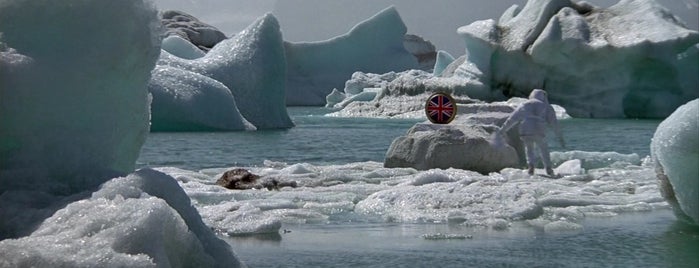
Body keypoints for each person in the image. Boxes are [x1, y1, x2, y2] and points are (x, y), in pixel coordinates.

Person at [498, 89, 565, 176]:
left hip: (526, 129)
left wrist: (502, 130)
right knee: (543, 149)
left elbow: (512, 119)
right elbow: (554, 123)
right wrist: (560, 137)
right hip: (539, 130)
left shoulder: (524, 104)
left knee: (529, 149)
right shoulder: (546, 106)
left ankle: (531, 167)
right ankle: (548, 168)